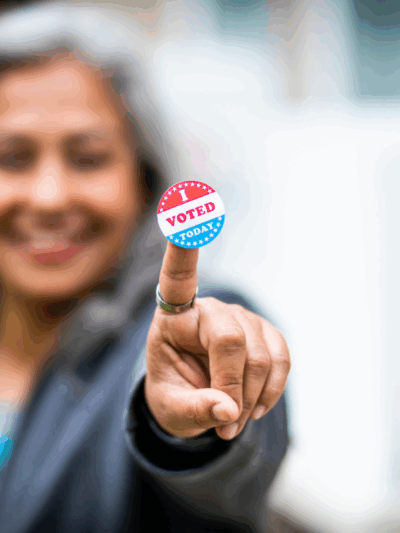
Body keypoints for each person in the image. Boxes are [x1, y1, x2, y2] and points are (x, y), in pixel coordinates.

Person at [0, 4, 290, 533]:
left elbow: (227, 468)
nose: (48, 197)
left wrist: (183, 430)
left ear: (144, 176)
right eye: (11, 158)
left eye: (88, 157)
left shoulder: (190, 329)